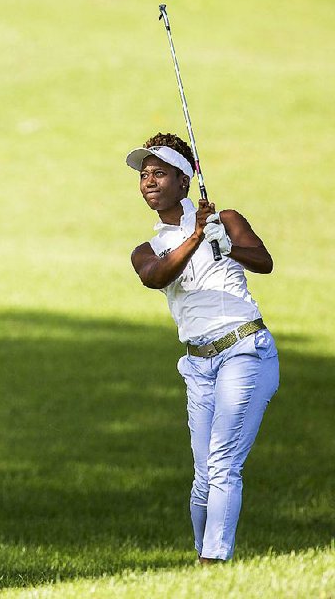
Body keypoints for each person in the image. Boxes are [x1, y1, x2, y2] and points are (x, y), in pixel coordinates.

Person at [126, 132, 280, 564]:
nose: (148, 182)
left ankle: (214, 562)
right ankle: (203, 564)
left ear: (184, 180)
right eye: (144, 175)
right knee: (201, 478)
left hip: (245, 350)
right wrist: (195, 238)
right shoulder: (146, 249)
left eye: (159, 174)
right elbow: (156, 277)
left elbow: (264, 262)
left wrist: (224, 242)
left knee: (222, 465)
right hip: (198, 365)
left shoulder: (225, 219)